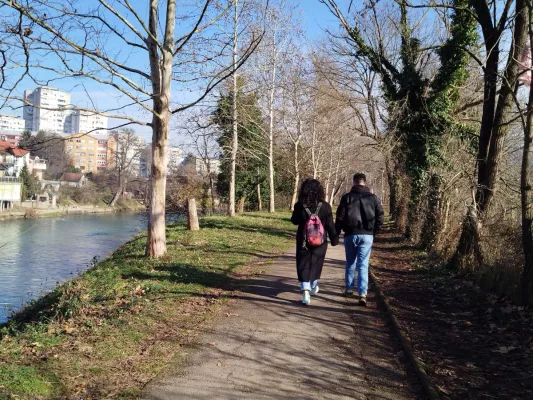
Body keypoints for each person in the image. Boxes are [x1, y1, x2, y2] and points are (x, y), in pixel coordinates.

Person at [335, 173, 384, 306]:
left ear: (354, 182)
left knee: (350, 262)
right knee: (363, 265)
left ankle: (349, 289)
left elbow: (340, 216)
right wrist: (375, 231)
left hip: (350, 234)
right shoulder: (373, 198)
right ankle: (362, 294)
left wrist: (337, 231)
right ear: (364, 182)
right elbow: (380, 215)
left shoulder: (347, 197)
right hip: (367, 234)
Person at [291, 179, 339, 305]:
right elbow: (330, 225)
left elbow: (294, 220)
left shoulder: (300, 205)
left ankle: (305, 290)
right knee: (316, 263)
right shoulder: (325, 206)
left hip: (303, 240)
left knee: (303, 263)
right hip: (320, 241)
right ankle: (313, 286)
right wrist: (334, 239)